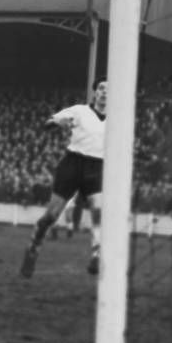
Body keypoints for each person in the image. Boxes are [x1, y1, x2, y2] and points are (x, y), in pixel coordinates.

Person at [20, 80, 107, 278]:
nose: (104, 93)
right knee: (52, 215)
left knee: (98, 212)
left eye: (109, 90)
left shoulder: (117, 119)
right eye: (101, 88)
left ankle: (96, 255)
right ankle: (33, 248)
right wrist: (56, 124)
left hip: (97, 167)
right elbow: (49, 122)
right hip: (72, 164)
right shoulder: (79, 111)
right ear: (95, 92)